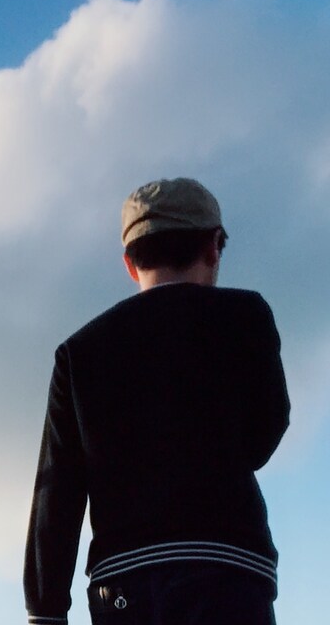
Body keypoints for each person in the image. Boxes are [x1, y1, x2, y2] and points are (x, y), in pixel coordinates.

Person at [23, 178, 290, 625]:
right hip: (227, 567)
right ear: (213, 246)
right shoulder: (247, 316)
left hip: (124, 583)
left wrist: (44, 611)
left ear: (130, 263)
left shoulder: (80, 352)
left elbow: (57, 492)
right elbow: (264, 436)